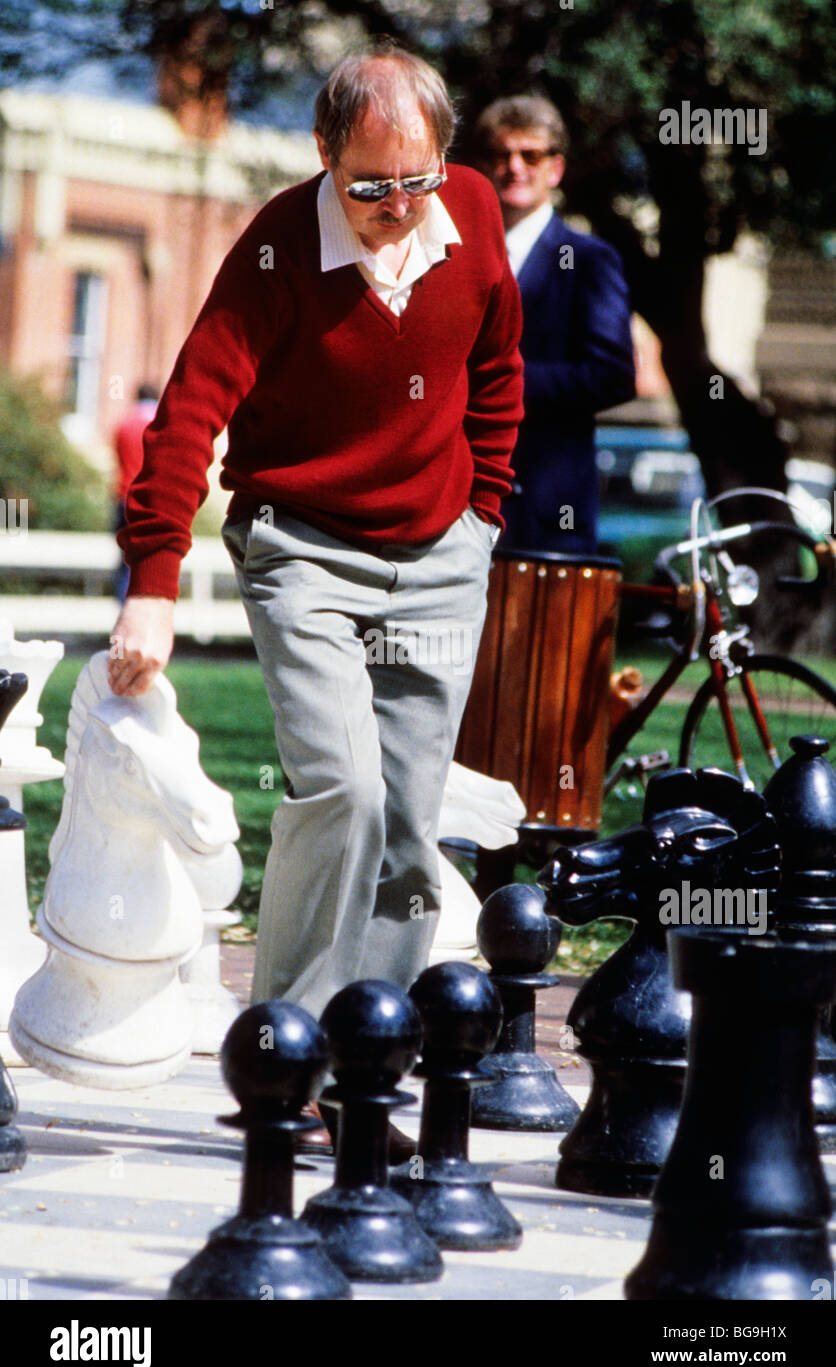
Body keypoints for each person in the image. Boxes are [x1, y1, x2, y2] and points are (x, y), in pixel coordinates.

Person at [107, 45, 524, 1148]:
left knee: (408, 822)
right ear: (322, 155)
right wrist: (153, 581)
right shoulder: (278, 247)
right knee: (341, 789)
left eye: (415, 181)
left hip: (440, 551)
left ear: (445, 157)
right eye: (368, 186)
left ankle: (358, 1071)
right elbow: (190, 409)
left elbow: (496, 367)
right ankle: (278, 1056)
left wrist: (482, 510)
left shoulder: (472, 216)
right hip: (303, 547)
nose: (394, 209)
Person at [474, 95, 635, 554]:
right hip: (456, 505)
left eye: (530, 155)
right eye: (501, 155)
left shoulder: (589, 261)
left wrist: (498, 384)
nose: (514, 167)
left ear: (556, 169)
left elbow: (613, 375)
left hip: (545, 513)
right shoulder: (454, 255)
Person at [111, 384, 158, 600]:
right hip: (151, 500)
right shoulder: (160, 424)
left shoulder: (124, 424)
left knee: (125, 561)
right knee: (151, 561)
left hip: (123, 497)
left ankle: (124, 608)